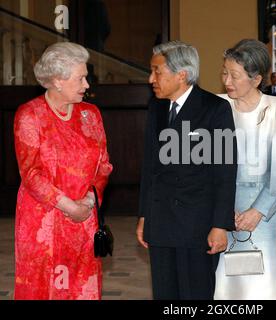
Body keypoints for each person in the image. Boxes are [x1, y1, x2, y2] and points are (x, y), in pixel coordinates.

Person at [136, 41, 237, 300]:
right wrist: (145, 215)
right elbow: (149, 168)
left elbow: (224, 172)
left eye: (157, 72)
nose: (151, 79)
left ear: (181, 74)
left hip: (197, 226)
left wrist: (219, 225)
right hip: (160, 222)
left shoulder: (214, 109)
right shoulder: (156, 107)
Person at [14, 42, 113, 300]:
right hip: (44, 220)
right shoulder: (30, 116)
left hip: (85, 216)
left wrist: (89, 202)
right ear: (58, 80)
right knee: (46, 288)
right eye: (81, 78)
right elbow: (31, 174)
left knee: (82, 287)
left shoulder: (91, 114)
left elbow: (104, 165)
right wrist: (69, 206)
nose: (87, 84)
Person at [215, 39, 276, 300]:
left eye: (235, 75)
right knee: (224, 288)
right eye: (224, 72)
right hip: (222, 213)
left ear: (256, 79)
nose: (227, 80)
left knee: (262, 289)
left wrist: (257, 211)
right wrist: (220, 208)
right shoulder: (216, 107)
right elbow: (205, 165)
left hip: (266, 216)